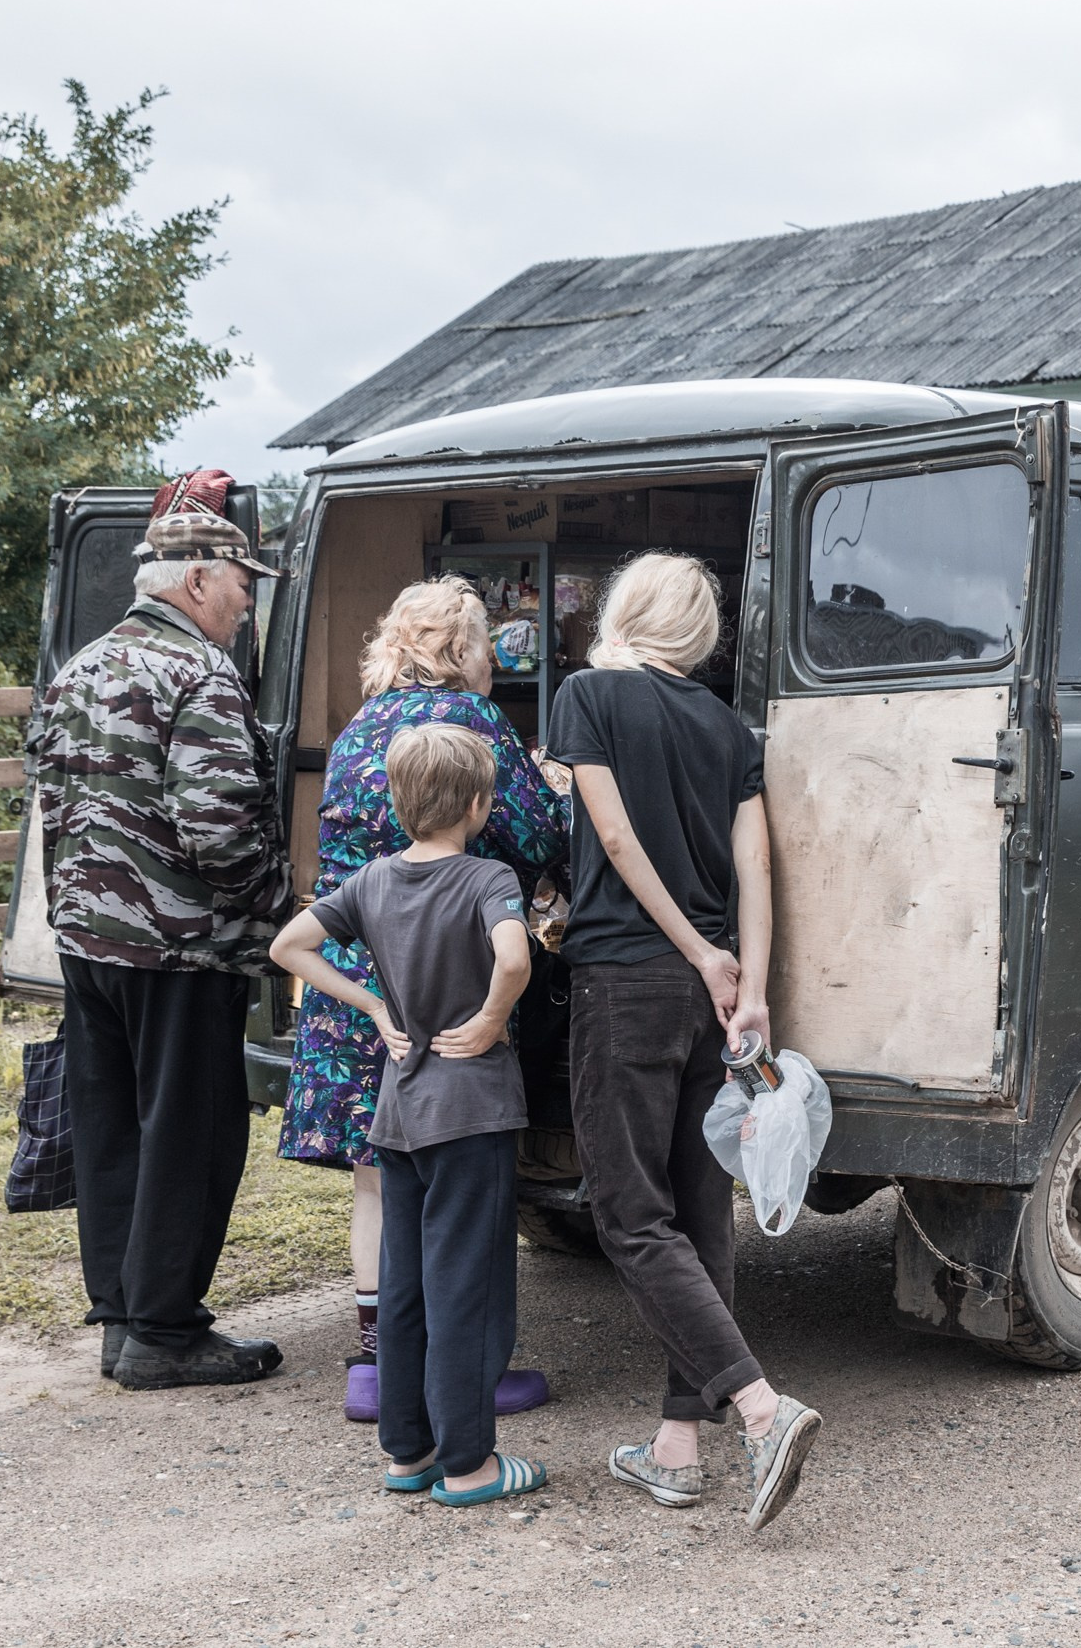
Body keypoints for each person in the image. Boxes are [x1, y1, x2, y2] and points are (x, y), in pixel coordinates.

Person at [542, 552, 822, 1532]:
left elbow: (614, 843)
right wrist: (747, 986)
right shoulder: (726, 724)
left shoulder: (588, 695)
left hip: (629, 977)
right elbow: (756, 860)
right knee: (700, 1210)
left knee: (626, 1209)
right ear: (702, 632)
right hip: (713, 996)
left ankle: (759, 1406)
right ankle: (675, 1442)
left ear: (624, 610)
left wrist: (703, 953)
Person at [279, 576, 567, 1424]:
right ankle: (468, 1367)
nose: (491, 658)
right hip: (440, 976)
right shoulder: (470, 722)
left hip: (356, 974)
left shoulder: (357, 728)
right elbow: (536, 834)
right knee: (458, 1175)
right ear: (458, 648)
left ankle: (376, 1366)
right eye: (485, 642)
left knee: (379, 1173)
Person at [29, 470, 291, 1390]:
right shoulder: (200, 673)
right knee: (190, 1133)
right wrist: (279, 904)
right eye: (241, 584)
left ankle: (122, 1317)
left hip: (88, 944)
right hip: (179, 947)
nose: (245, 602)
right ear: (197, 580)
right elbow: (218, 826)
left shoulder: (83, 665)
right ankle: (167, 1331)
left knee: (113, 1130)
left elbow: (51, 800)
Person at [270, 724, 547, 1507]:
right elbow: (517, 955)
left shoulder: (371, 881)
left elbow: (290, 945)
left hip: (399, 1113)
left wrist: (368, 1002)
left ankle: (406, 1451)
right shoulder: (487, 874)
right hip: (471, 1111)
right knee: (468, 1284)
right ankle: (468, 1464)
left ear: (396, 800)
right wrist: (494, 1017)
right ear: (479, 803)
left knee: (406, 1282)